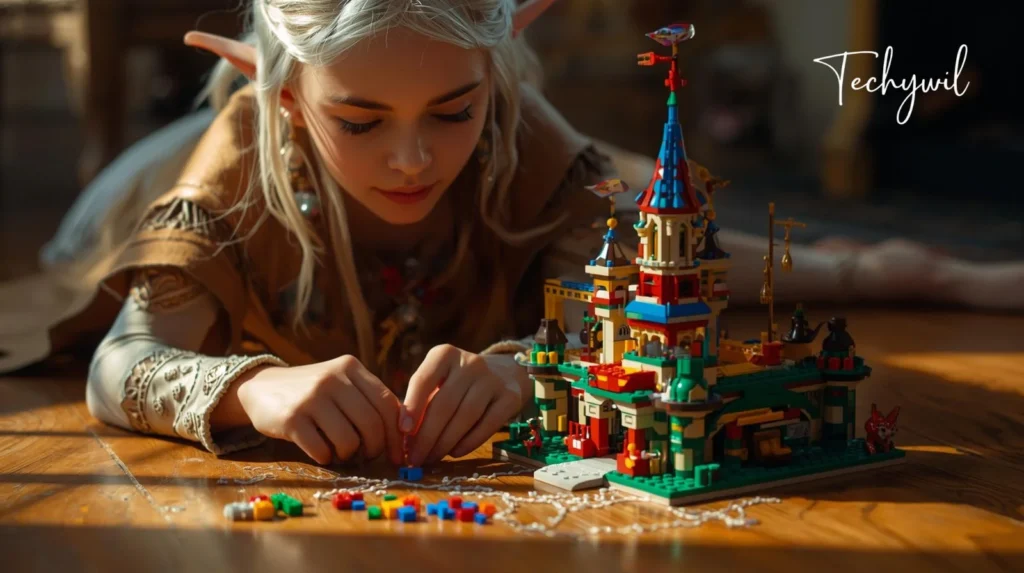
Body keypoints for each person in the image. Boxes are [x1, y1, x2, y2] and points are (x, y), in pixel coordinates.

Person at [0, 0, 1021, 468]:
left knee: (693, 263)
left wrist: (533, 365)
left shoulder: (516, 126)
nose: (411, 160)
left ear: (497, 64)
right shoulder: (238, 160)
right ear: (291, 98)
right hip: (195, 160)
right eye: (362, 121)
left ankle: (907, 263)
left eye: (450, 110)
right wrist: (252, 386)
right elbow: (122, 363)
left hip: (538, 157)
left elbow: (626, 308)